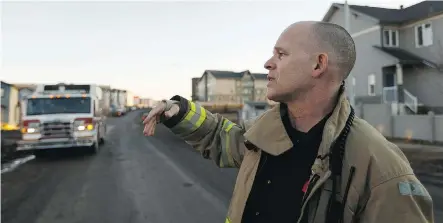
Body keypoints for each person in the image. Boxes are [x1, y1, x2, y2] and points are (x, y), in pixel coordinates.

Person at [143, 21, 434, 223]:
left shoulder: (382, 170)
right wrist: (178, 112)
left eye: (281, 54)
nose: (268, 63)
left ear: (318, 65)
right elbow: (223, 137)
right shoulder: (265, 131)